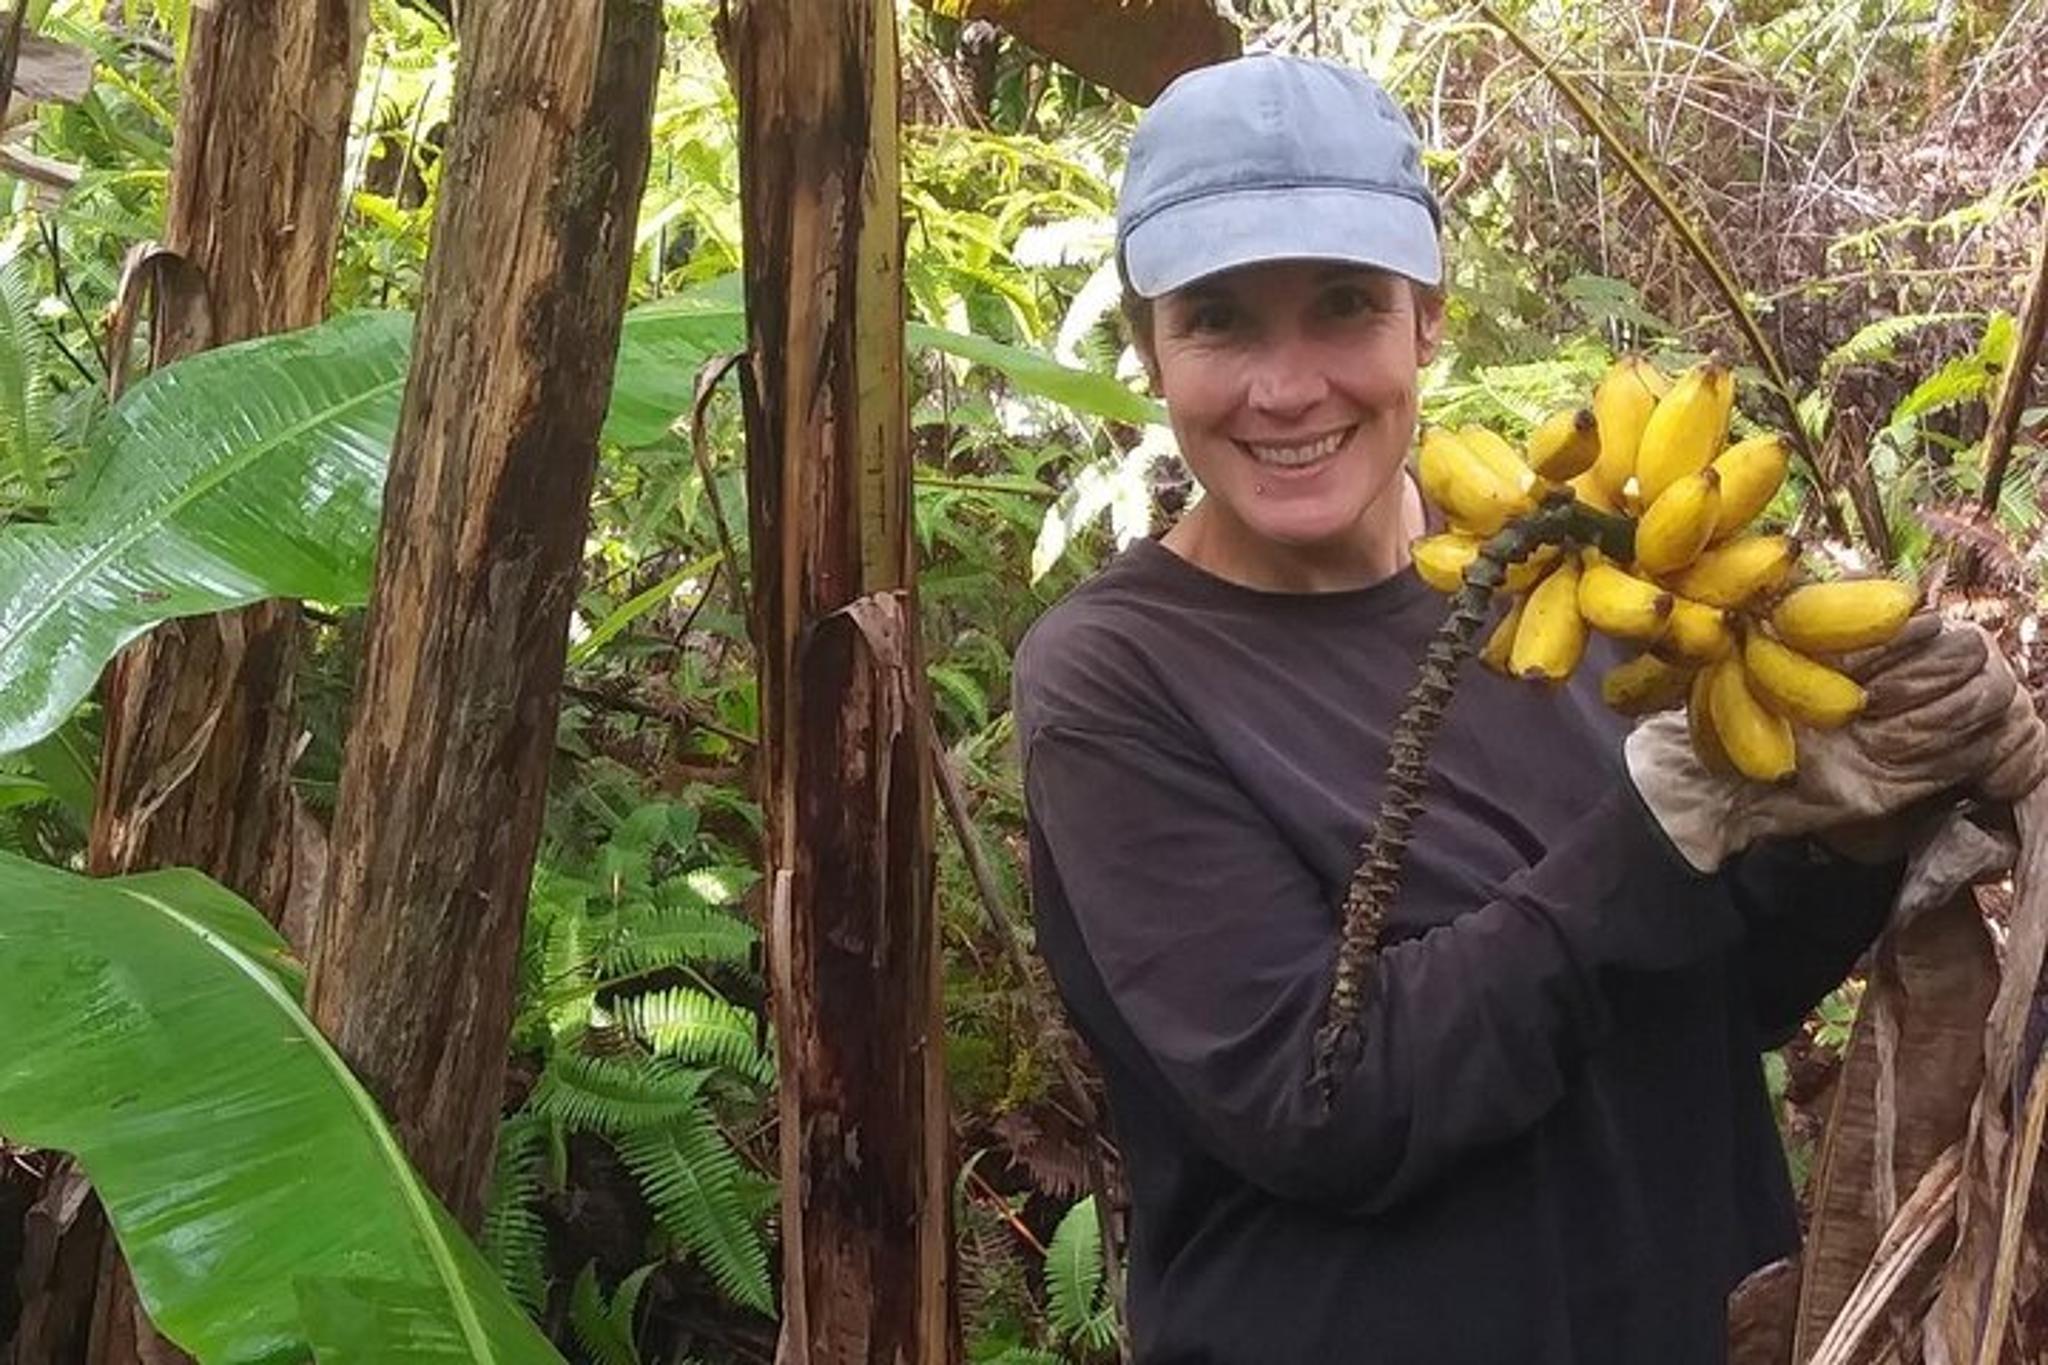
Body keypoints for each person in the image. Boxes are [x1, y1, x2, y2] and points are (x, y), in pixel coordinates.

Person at [1010, 53, 2048, 1364]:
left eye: (1343, 304)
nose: (1286, 385)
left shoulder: (1591, 570)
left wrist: (1849, 825)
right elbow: (1322, 1102)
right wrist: (1657, 823)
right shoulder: (1115, 678)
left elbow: (1713, 991)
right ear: (1151, 347)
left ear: (1427, 316)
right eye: (1220, 319)